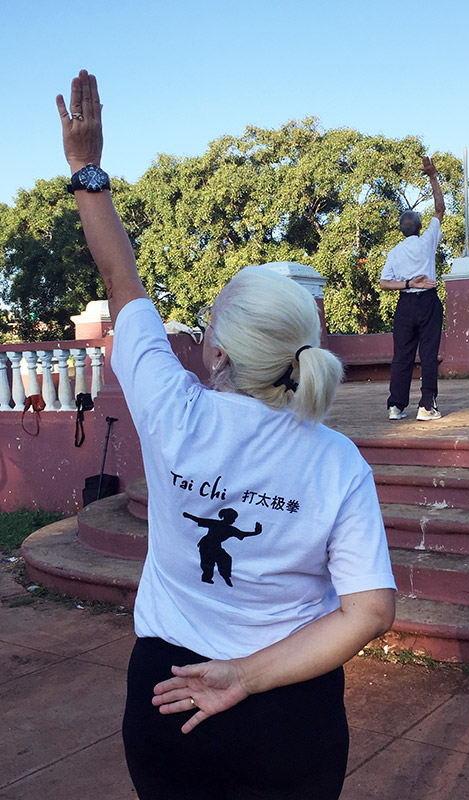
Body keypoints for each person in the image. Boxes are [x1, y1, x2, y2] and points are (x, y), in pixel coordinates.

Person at [57, 70, 396, 800]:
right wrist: (246, 676)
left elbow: (122, 281)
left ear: (217, 352)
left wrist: (87, 166)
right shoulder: (338, 462)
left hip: (169, 700)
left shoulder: (171, 408)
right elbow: (369, 610)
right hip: (290, 715)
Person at [379, 156, 445, 421]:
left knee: (402, 357)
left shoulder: (394, 252)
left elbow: (384, 283)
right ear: (420, 226)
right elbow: (440, 208)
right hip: (427, 302)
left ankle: (396, 406)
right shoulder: (428, 240)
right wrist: (432, 176)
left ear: (401, 229)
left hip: (405, 303)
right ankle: (427, 407)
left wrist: (407, 283)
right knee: (428, 356)